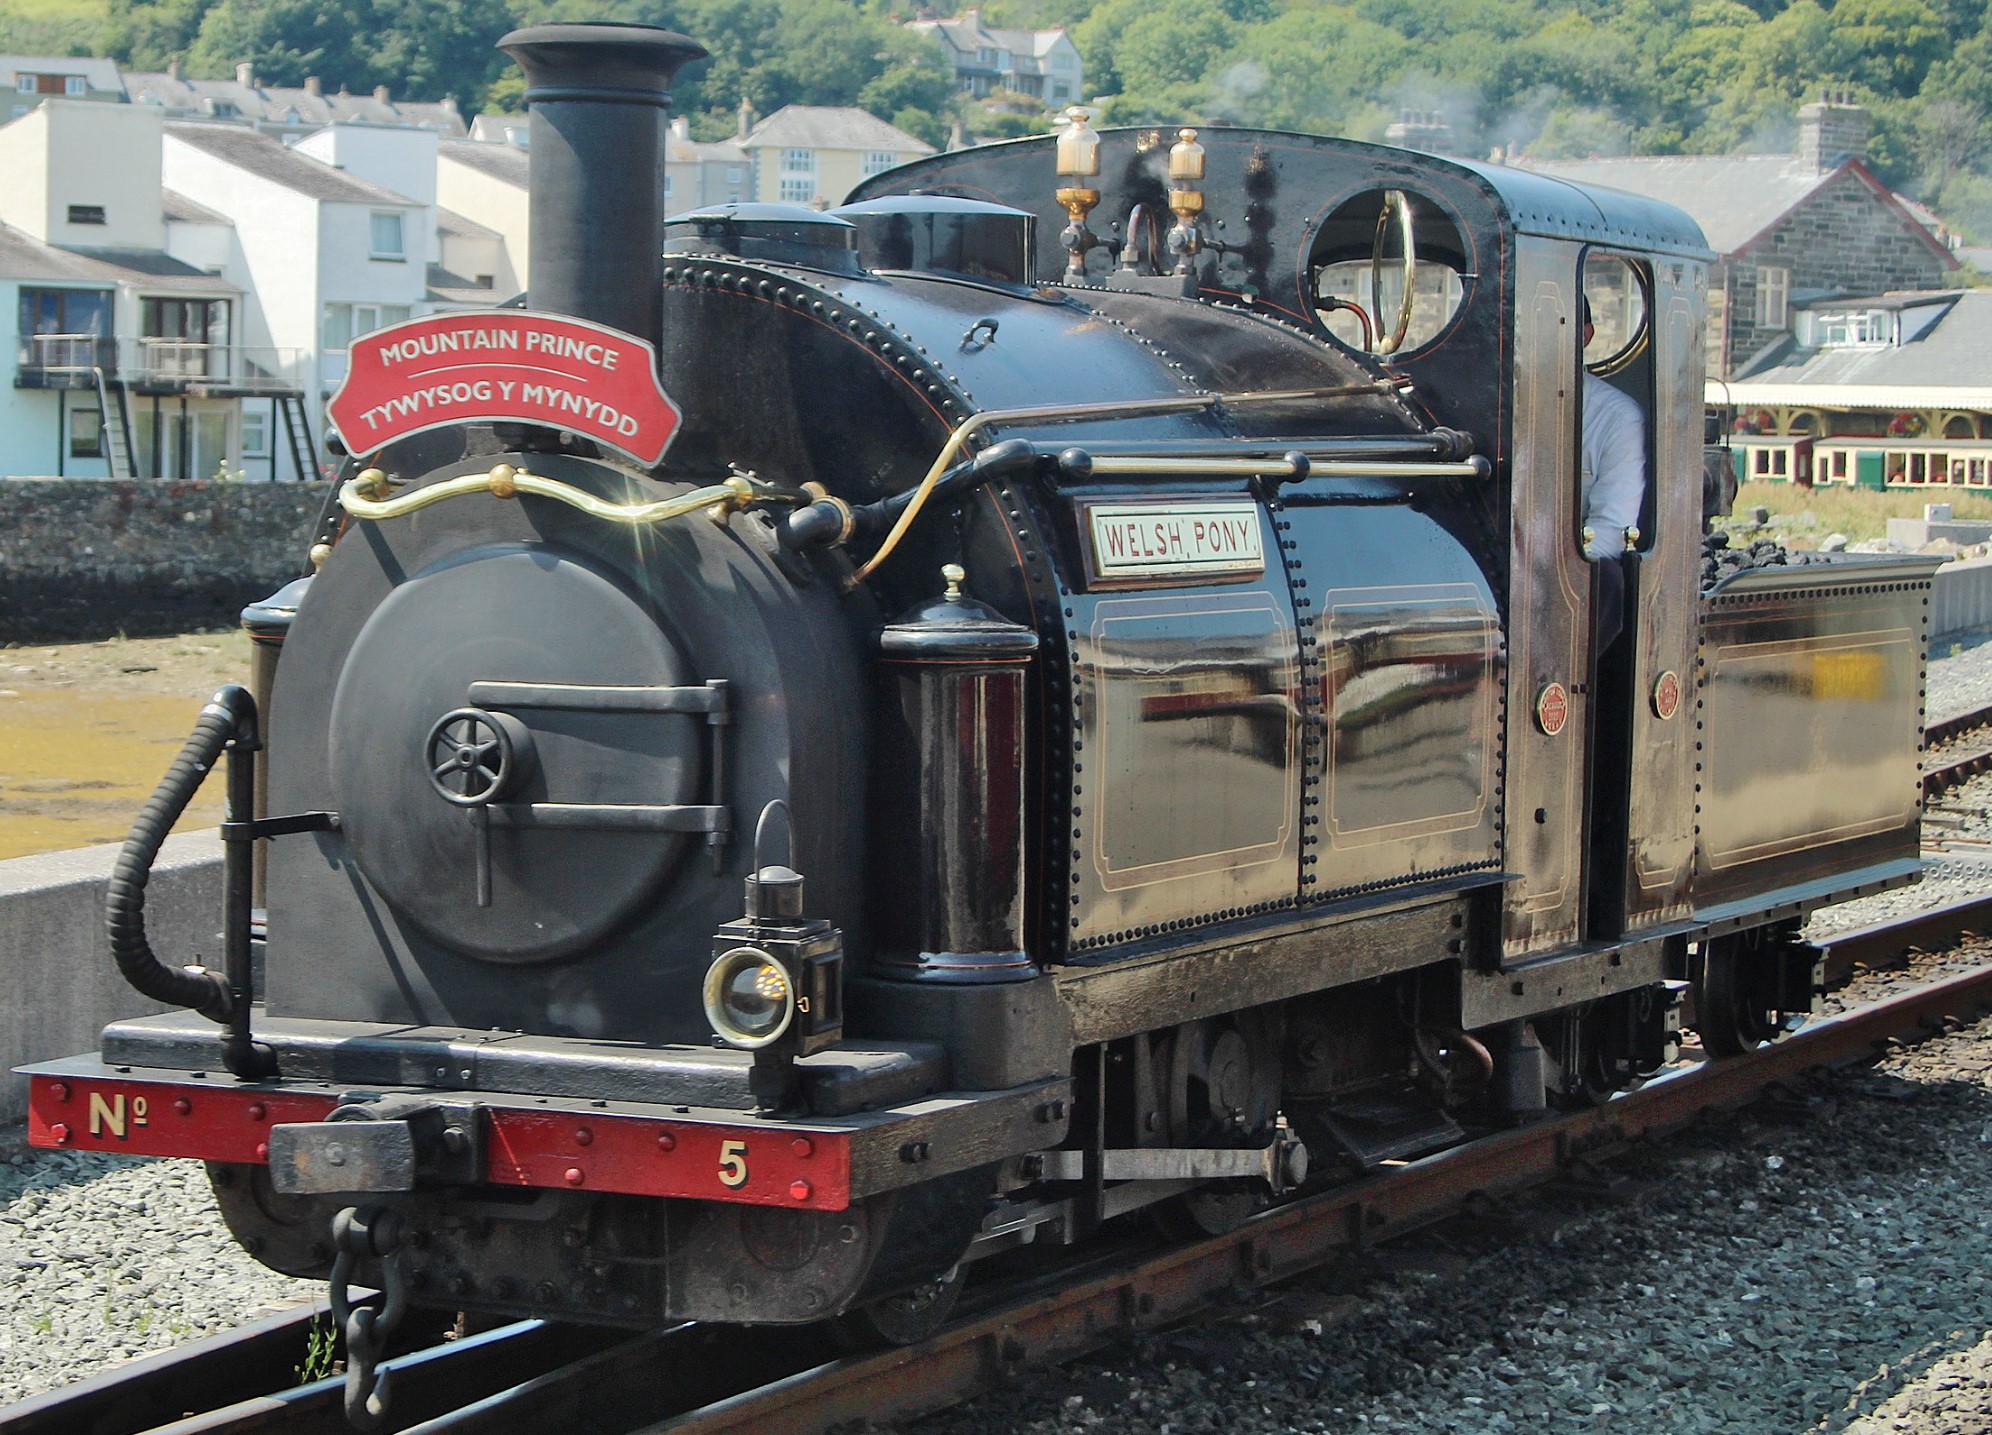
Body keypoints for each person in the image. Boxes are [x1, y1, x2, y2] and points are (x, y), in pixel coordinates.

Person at [1580, 297, 1646, 651]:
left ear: (1585, 336)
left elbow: (1611, 529)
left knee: (1604, 580)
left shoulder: (1617, 418)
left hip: (1563, 564)